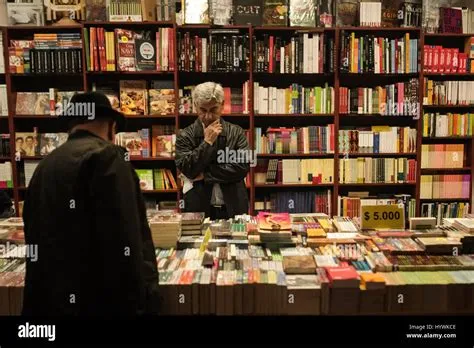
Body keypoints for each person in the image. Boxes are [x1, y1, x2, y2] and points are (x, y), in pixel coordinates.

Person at [22, 92, 160, 316]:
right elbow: (126, 240)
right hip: (98, 303)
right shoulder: (108, 157)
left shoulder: (45, 165)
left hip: (49, 305)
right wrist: (146, 301)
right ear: (110, 125)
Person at [175, 82, 250, 220]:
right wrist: (207, 142)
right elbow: (188, 169)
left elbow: (242, 167)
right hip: (198, 208)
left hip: (234, 207)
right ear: (196, 106)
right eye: (203, 110)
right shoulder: (185, 135)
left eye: (213, 110)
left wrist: (205, 174)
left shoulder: (237, 132)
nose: (208, 116)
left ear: (222, 105)